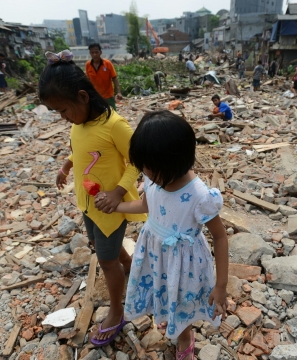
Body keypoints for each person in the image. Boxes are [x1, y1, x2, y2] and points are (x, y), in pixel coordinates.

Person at [40, 50, 146, 347]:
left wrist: (118, 191)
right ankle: (132, 267)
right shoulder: (79, 123)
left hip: (110, 207)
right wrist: (66, 166)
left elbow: (137, 161)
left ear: (83, 97)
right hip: (88, 204)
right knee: (103, 249)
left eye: (63, 111)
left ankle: (117, 310)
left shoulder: (115, 125)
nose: (63, 118)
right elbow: (82, 151)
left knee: (106, 259)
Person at [104, 110, 228, 360]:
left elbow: (221, 236)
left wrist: (221, 285)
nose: (145, 174)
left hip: (185, 264)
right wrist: (116, 206)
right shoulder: (155, 179)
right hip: (156, 253)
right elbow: (145, 206)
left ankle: (184, 336)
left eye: (148, 169)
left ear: (171, 163)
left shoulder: (200, 196)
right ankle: (169, 317)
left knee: (182, 298)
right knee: (163, 290)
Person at [85, 43, 123, 111]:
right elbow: (88, 81)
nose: (94, 54)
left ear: (100, 52)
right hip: (96, 97)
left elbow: (114, 78)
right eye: (92, 52)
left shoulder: (107, 64)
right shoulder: (88, 65)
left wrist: (119, 92)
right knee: (99, 116)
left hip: (108, 96)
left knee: (113, 114)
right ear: (90, 53)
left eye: (96, 52)